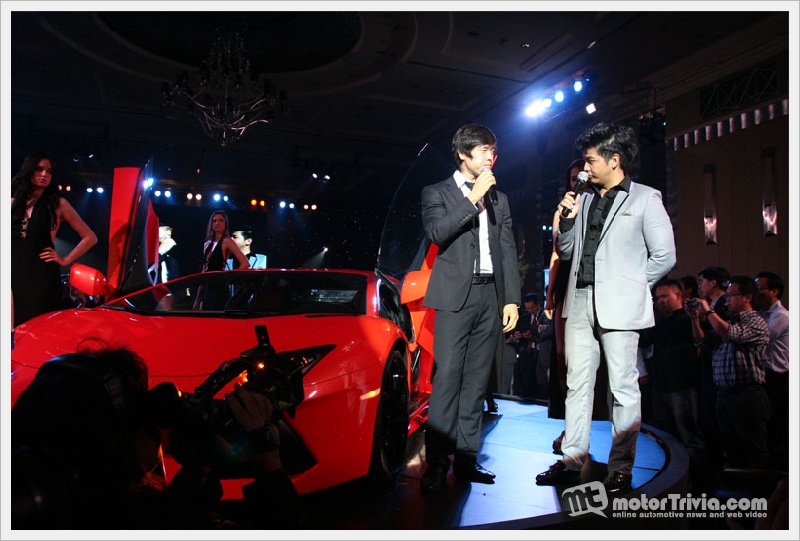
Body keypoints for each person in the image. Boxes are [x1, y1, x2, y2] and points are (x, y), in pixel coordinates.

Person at [11, 346, 302, 529]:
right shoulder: (139, 517)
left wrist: (187, 489)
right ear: (116, 431)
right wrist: (268, 462)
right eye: (141, 406)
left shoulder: (36, 496)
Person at [535, 122, 676, 495]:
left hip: (621, 306)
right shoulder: (582, 199)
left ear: (614, 159)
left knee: (623, 389)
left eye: (590, 160)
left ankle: (621, 468)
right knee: (577, 385)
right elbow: (566, 251)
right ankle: (572, 459)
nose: (585, 168)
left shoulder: (646, 198)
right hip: (580, 301)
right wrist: (565, 222)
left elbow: (664, 256)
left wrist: (633, 287)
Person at [419, 124, 520, 493]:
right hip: (453, 298)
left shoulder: (500, 198)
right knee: (447, 379)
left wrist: (511, 298)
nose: (491, 157)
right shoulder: (437, 192)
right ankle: (436, 462)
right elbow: (437, 233)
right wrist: (472, 197)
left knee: (477, 381)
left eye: (493, 150)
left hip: (490, 296)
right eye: (484, 150)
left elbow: (506, 248)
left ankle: (465, 459)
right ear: (463, 154)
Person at [686, 275, 771, 469]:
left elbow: (730, 334)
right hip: (724, 395)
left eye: (732, 295)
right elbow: (703, 343)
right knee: (731, 451)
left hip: (747, 395)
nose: (727, 300)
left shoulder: (756, 322)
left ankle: (761, 488)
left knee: (753, 451)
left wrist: (708, 311)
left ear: (748, 297)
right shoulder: (727, 322)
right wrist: (695, 320)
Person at [11, 152, 98, 326]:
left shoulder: (59, 204)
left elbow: (90, 237)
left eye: (49, 171)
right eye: (39, 169)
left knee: (35, 327)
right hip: (13, 273)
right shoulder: (11, 204)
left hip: (42, 277)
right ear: (29, 171)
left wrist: (65, 260)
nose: (44, 174)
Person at [649, 279, 706, 489]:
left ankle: (697, 486)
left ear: (678, 295)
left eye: (664, 296)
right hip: (661, 386)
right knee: (667, 439)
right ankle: (675, 486)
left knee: (689, 439)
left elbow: (699, 342)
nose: (660, 301)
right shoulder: (659, 321)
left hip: (683, 386)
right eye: (658, 298)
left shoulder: (688, 319)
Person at [754, 271, 789, 470]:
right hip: (764, 377)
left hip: (778, 378)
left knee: (777, 425)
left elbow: (761, 338)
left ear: (774, 291)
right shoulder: (761, 315)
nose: (756, 294)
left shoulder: (781, 316)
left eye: (760, 289)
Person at [193, 210, 250, 310]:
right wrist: (197, 299)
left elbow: (245, 263)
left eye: (221, 221)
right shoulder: (207, 244)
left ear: (225, 224)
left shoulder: (227, 241)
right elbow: (204, 272)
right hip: (207, 289)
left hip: (220, 289)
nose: (217, 223)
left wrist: (230, 278)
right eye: (214, 221)